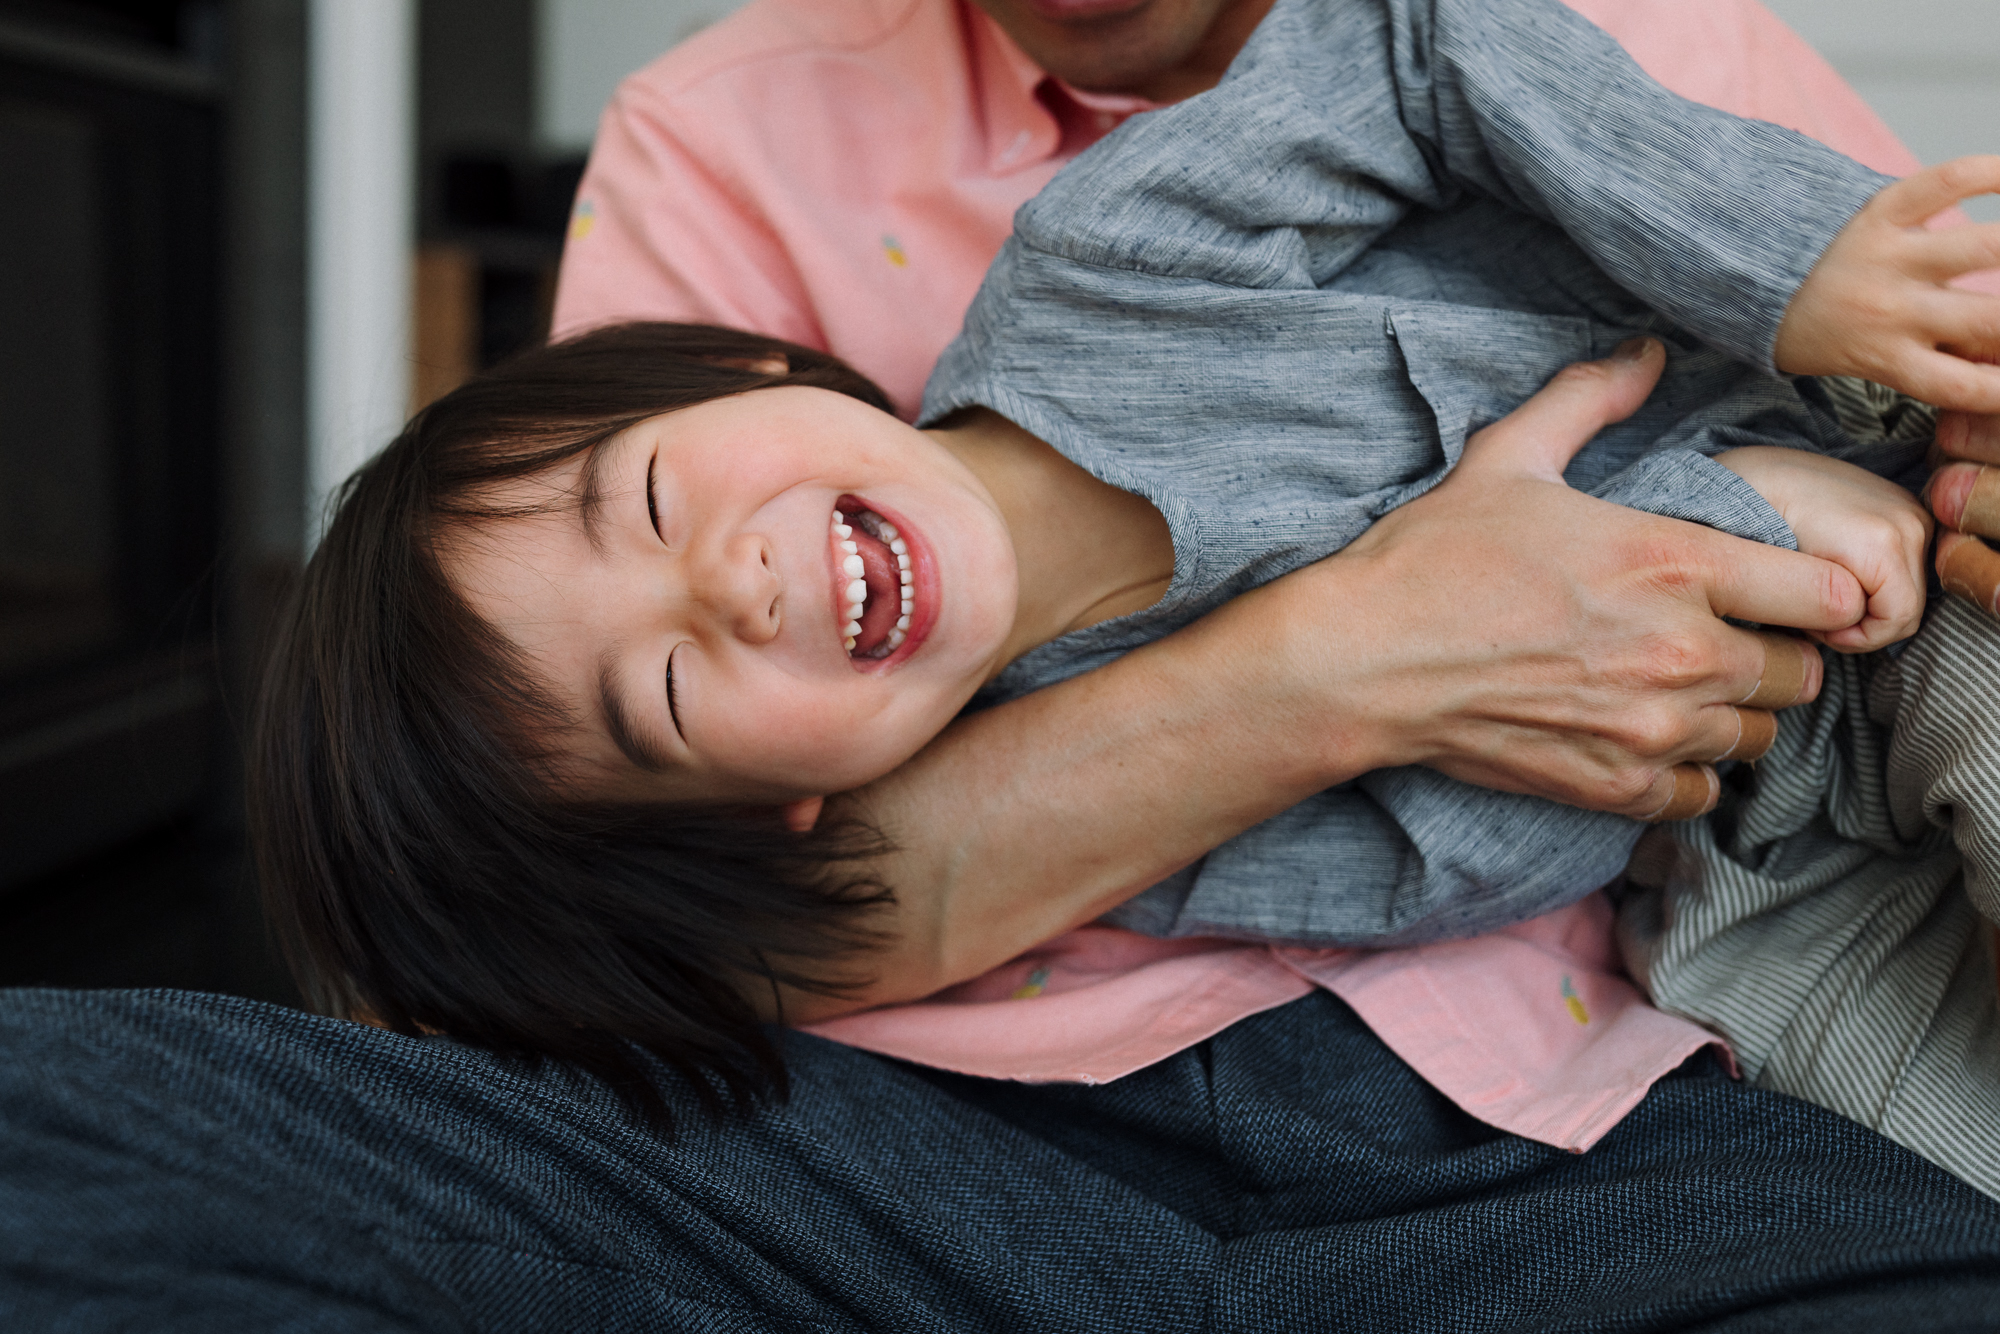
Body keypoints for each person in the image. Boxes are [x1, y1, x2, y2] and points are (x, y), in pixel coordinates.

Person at [259, 0, 2000, 1190]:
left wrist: (1787, 276)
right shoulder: (1141, 835)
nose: (732, 580)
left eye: (650, 501)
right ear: (789, 798)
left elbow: (1416, 44)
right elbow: (1483, 837)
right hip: (1754, 846)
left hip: (1880, 572)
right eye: (667, 696)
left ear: (742, 366)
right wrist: (1711, 540)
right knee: (1936, 1142)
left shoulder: (1109, 257)